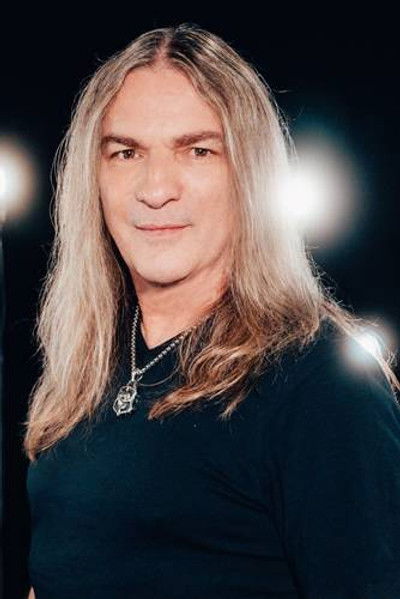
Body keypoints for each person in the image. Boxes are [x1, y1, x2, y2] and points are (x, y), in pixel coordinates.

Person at [22, 23, 400, 599]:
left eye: (197, 151)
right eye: (126, 153)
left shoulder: (319, 385)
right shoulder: (86, 370)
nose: (156, 189)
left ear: (248, 175)